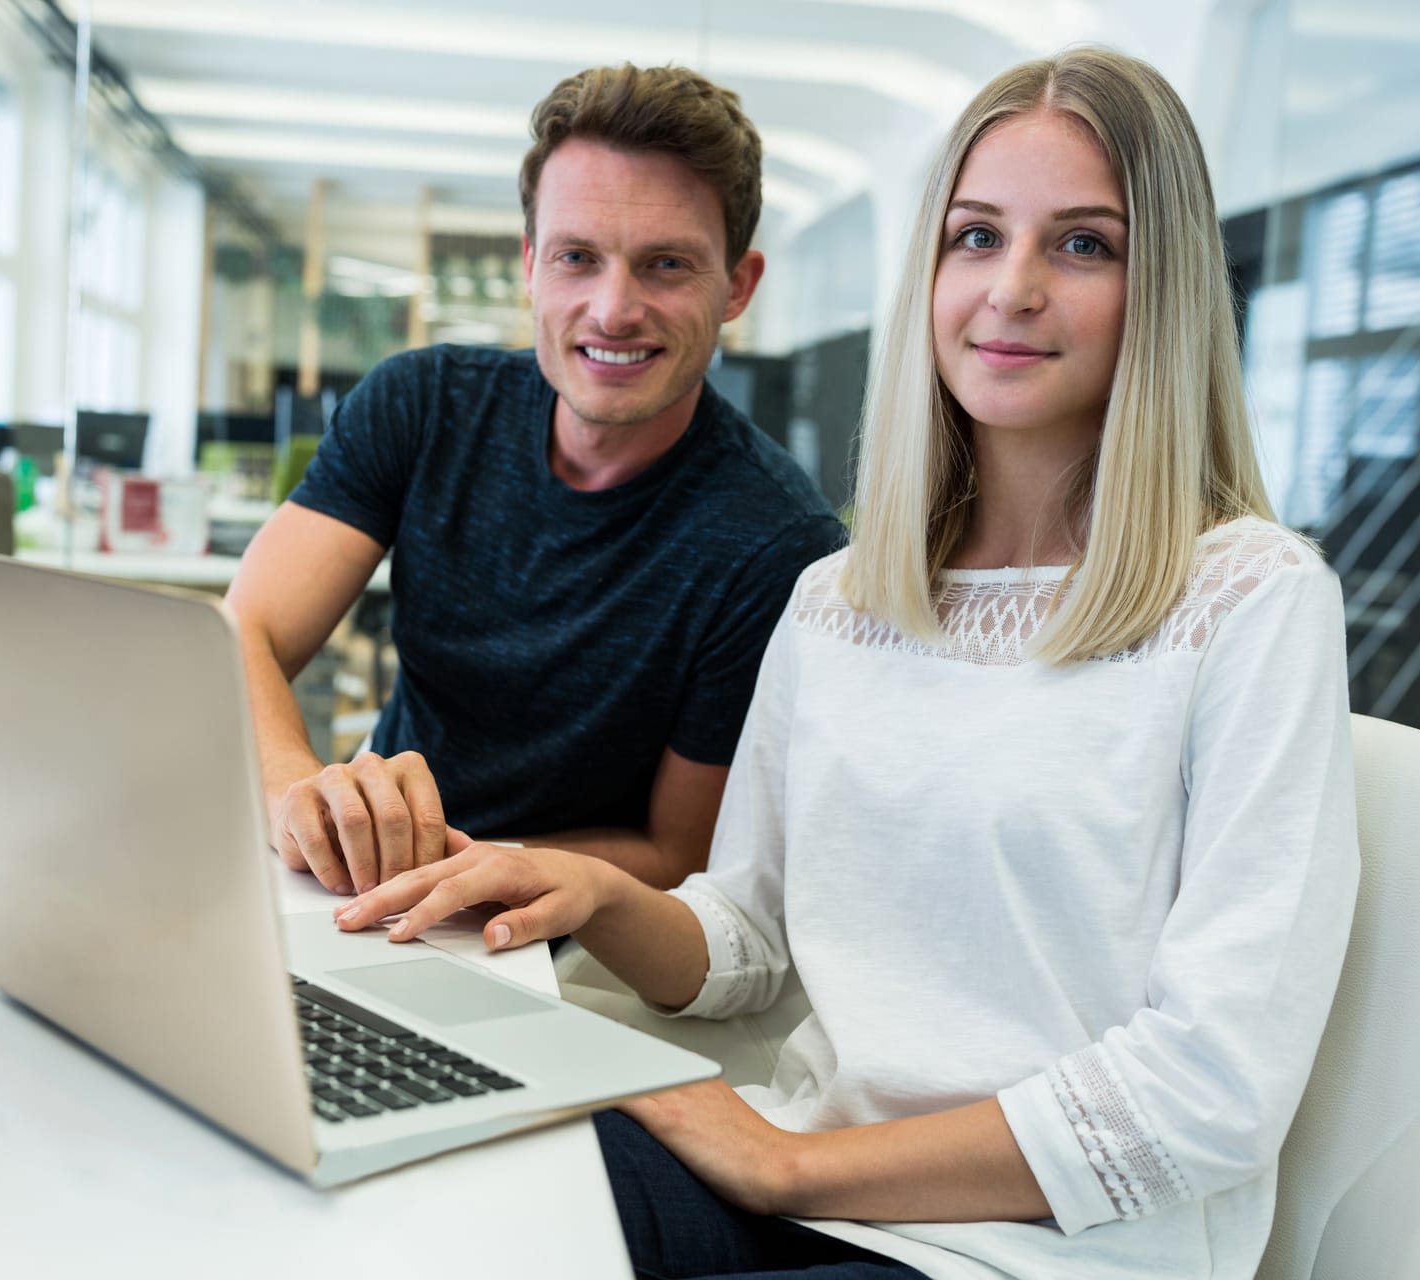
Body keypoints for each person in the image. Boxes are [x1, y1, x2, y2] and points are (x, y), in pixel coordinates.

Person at [334, 47, 1359, 1280]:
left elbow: (1212, 1088)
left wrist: (783, 1164)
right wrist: (594, 891)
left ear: (1168, 289)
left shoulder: (1251, 600)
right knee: (414, 1189)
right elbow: (752, 936)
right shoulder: (842, 597)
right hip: (798, 1178)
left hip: (1033, 1250)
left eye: (1084, 244)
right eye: (977, 237)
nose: (1013, 288)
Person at [228, 65, 843, 899]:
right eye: (576, 258)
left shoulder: (777, 543)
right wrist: (293, 795)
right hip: (371, 873)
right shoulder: (422, 404)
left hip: (581, 917)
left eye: (666, 264)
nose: (613, 309)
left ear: (737, 286)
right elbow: (246, 629)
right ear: (530, 265)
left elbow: (680, 853)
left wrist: (452, 869)